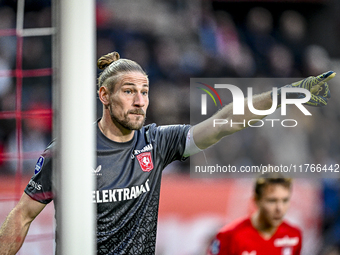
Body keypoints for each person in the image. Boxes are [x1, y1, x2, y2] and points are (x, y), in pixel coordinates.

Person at [0, 51, 335, 254]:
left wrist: (281, 96)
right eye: (129, 91)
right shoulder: (68, 153)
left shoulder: (157, 142)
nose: (140, 101)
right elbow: (23, 215)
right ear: (104, 95)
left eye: (144, 91)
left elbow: (224, 123)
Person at [207, 173, 302, 255]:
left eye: (285, 200)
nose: (279, 208)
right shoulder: (229, 236)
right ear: (256, 200)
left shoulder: (293, 234)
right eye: (272, 201)